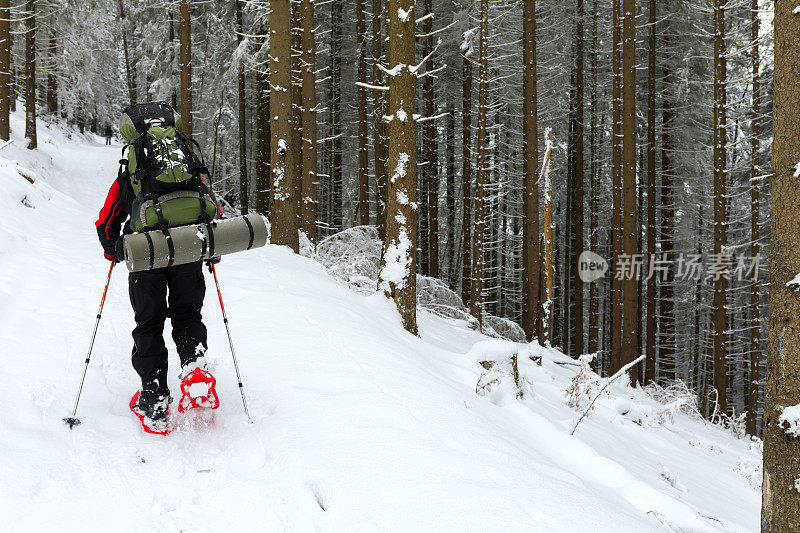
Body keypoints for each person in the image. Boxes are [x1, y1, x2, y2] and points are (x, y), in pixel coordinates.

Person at [95, 102, 216, 432]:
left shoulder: (132, 170)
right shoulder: (184, 159)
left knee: (148, 322)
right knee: (188, 314)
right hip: (189, 248)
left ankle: (154, 399)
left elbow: (106, 222)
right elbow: (208, 204)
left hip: (147, 254)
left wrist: (114, 250)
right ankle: (195, 369)